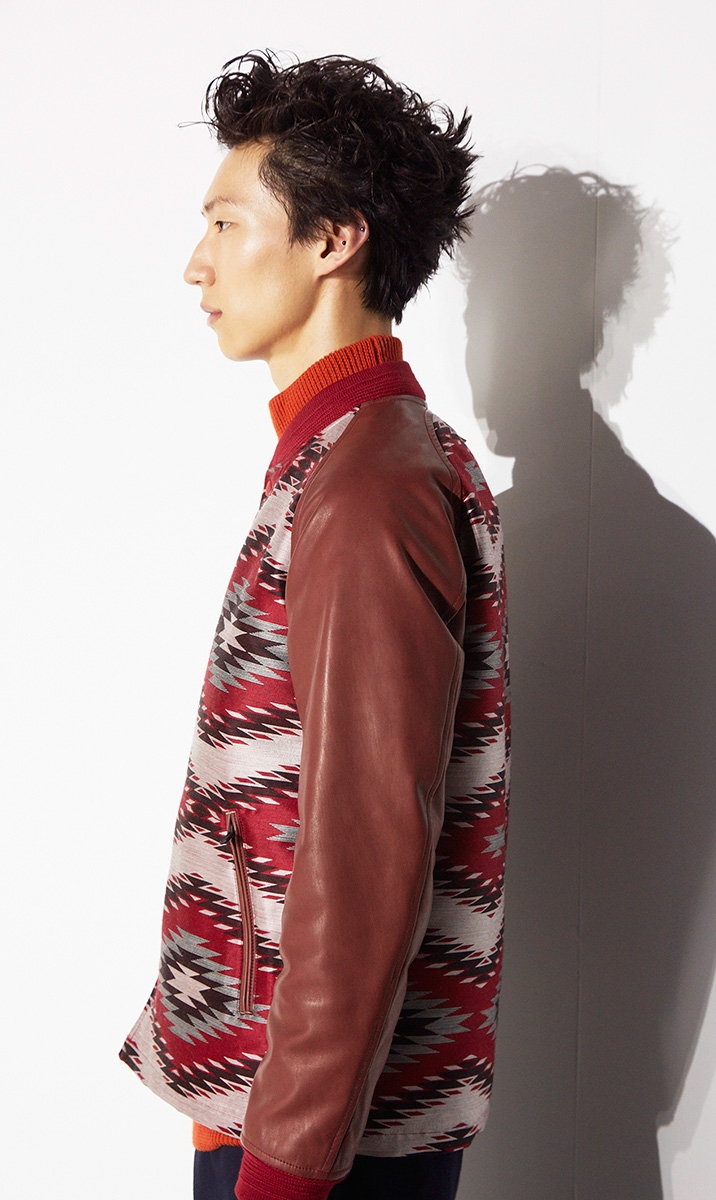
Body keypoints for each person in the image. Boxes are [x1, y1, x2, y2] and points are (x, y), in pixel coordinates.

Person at [119, 49, 511, 1200]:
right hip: (289, 1105)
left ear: (332, 240)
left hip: (313, 1139)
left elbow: (369, 853)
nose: (197, 263)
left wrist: (284, 1166)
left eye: (226, 223)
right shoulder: (347, 458)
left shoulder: (367, 487)